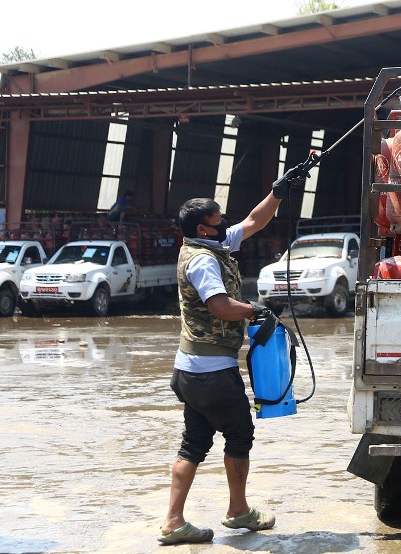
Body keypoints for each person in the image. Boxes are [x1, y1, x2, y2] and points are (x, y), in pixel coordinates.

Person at [158, 160, 312, 546]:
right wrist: (256, 309)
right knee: (240, 434)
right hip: (211, 372)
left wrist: (279, 191)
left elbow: (253, 222)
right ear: (201, 228)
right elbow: (221, 307)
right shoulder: (203, 261)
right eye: (217, 219)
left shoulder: (209, 244)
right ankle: (237, 510)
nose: (225, 223)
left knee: (193, 443)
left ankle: (173, 521)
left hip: (188, 370)